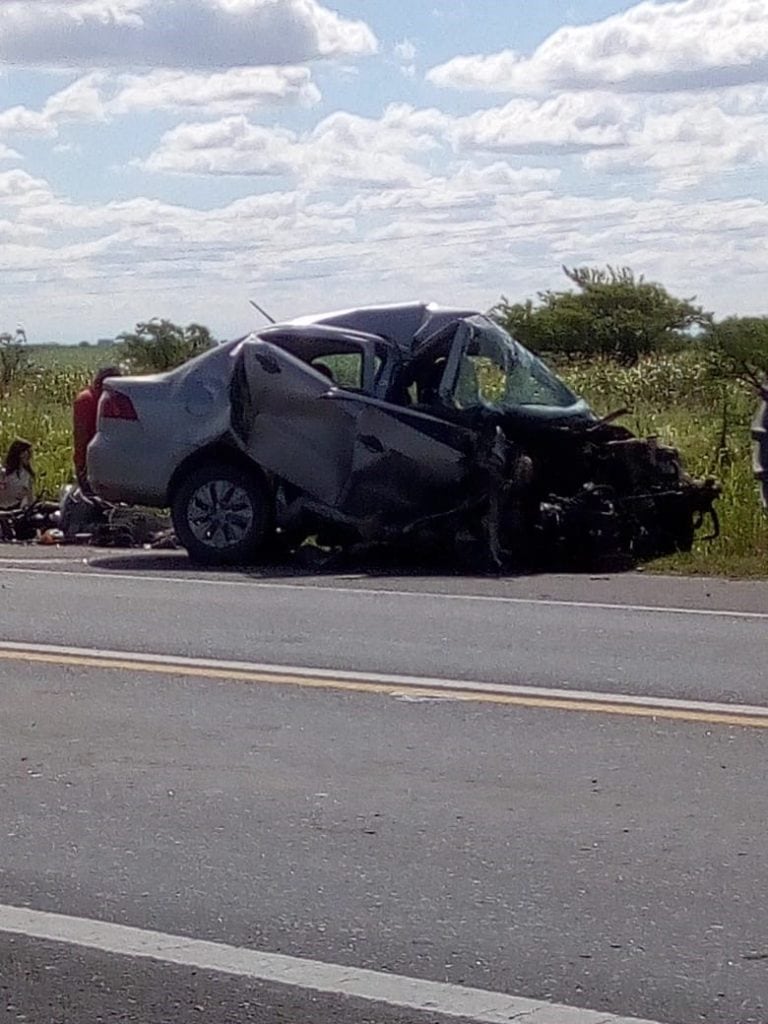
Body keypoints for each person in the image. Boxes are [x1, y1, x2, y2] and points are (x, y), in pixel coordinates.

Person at [73, 366, 120, 492]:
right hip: (93, 459)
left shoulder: (108, 399)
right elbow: (81, 435)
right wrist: (82, 462)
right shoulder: (87, 399)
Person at [0, 438, 35, 511]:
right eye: (27, 452)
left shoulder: (27, 475)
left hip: (16, 509)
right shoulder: (3, 472)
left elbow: (30, 498)